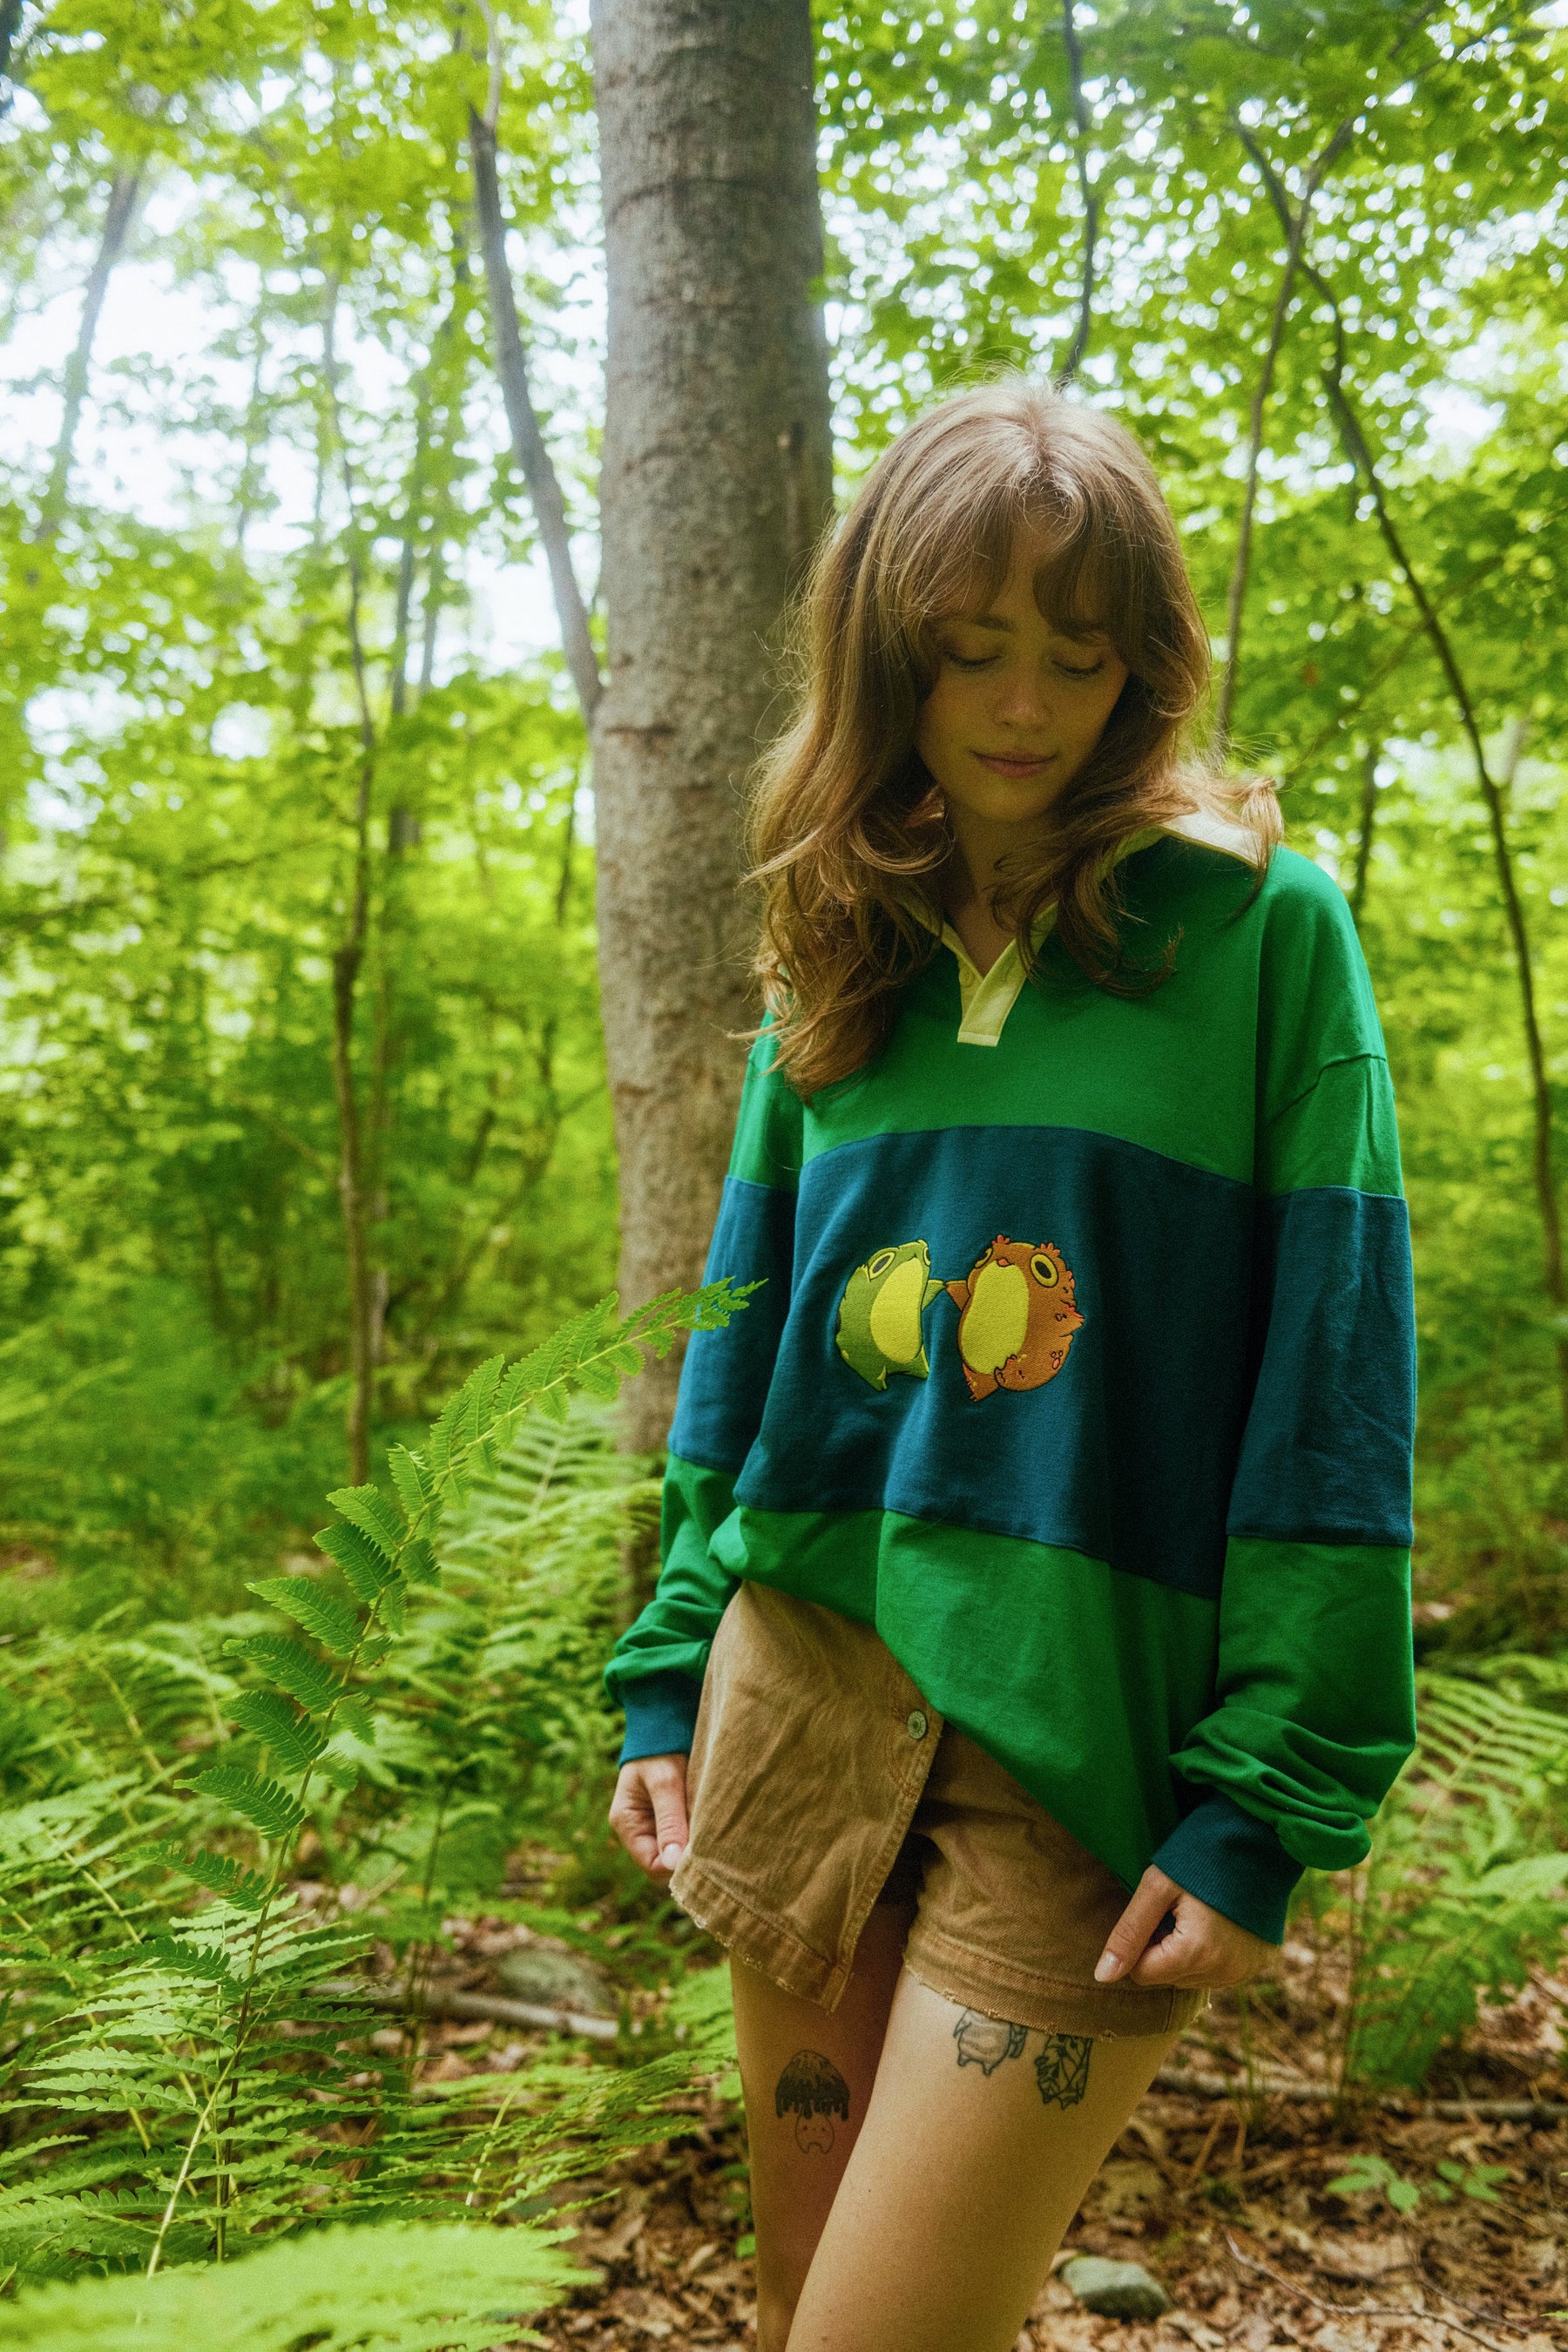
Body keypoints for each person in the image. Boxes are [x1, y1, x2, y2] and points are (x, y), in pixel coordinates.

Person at [603, 379, 1416, 2352]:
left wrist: (1269, 1799)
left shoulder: (1262, 938)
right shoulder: (839, 948)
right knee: (809, 2309)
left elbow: (1335, 1376)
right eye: (974, 651)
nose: (1027, 704)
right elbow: (749, 1343)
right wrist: (661, 1666)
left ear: (1146, 666)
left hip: (1080, 1740)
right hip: (795, 1694)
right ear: (889, 653)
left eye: (1080, 651)